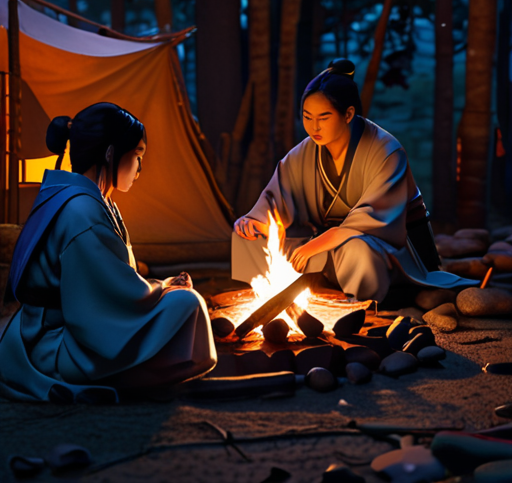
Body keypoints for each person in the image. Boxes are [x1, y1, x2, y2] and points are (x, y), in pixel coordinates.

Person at [0, 103, 216, 403]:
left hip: (57, 328)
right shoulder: (82, 211)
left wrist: (160, 287)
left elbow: (108, 284)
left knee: (178, 300)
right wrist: (164, 291)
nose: (140, 167)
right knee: (186, 302)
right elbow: (105, 300)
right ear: (111, 154)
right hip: (54, 345)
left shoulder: (83, 199)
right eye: (138, 155)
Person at [233, 59, 478, 302]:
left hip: (388, 249)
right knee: (249, 240)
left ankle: (360, 307)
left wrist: (319, 244)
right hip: (325, 243)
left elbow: (374, 220)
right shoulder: (304, 152)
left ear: (348, 114)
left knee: (357, 251)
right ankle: (265, 299)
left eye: (324, 117)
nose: (313, 126)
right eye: (307, 117)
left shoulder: (386, 151)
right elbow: (276, 200)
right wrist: (255, 222)